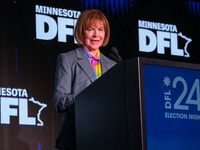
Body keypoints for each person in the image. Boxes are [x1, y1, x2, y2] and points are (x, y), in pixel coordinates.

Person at [53, 9, 117, 150]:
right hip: (76, 138)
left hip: (106, 138)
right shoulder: (68, 59)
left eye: (100, 29)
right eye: (90, 29)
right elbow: (60, 100)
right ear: (82, 32)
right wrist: (87, 99)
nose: (96, 35)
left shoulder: (113, 65)